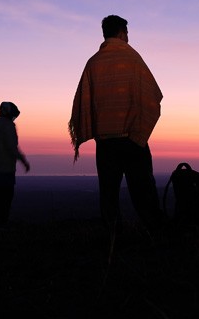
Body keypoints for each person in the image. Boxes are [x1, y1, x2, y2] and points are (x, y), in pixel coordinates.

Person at [68, 15, 164, 234]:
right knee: (143, 191)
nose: (128, 38)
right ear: (122, 33)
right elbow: (153, 98)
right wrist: (139, 131)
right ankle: (157, 234)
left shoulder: (93, 63)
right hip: (133, 139)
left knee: (109, 193)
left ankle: (113, 237)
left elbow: (83, 101)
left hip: (106, 142)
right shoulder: (132, 58)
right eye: (127, 33)